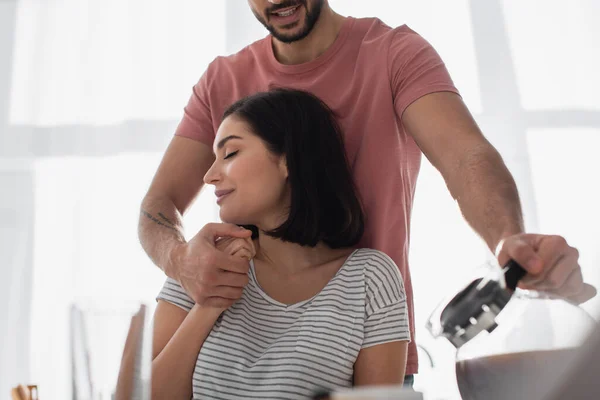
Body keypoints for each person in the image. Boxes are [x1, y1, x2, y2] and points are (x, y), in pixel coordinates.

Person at [138, 0, 596, 380]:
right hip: (233, 347)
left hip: (370, 349)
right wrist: (183, 263)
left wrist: (506, 240)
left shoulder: (394, 54)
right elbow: (158, 205)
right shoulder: (222, 79)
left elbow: (466, 158)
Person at [151, 88, 411, 400]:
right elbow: (140, 396)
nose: (209, 175)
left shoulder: (369, 278)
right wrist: (210, 304)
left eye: (230, 154)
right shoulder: (200, 263)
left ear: (288, 159)